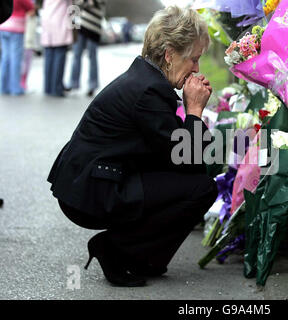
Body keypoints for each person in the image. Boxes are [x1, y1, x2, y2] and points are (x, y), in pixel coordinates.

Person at [47, 6, 217, 287]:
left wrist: (191, 120)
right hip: (92, 191)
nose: (197, 68)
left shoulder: (146, 80)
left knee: (191, 183)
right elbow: (189, 158)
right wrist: (195, 111)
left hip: (91, 180)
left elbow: (180, 157)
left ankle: (141, 257)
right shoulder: (149, 91)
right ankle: (115, 249)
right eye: (194, 59)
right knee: (201, 188)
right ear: (169, 54)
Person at [67, 0, 106, 97]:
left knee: (92, 57)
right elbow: (74, 5)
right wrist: (73, 26)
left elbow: (94, 3)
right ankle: (73, 83)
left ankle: (92, 85)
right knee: (76, 55)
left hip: (93, 27)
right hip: (79, 26)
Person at [0, 0, 35, 95]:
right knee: (15, 58)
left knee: (5, 57)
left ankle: (3, 87)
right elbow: (31, 7)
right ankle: (15, 88)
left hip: (3, 26)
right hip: (15, 27)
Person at [40, 0, 73, 97]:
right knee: (59, 59)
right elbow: (73, 6)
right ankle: (57, 88)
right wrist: (75, 26)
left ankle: (48, 87)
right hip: (59, 23)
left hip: (47, 22)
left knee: (49, 59)